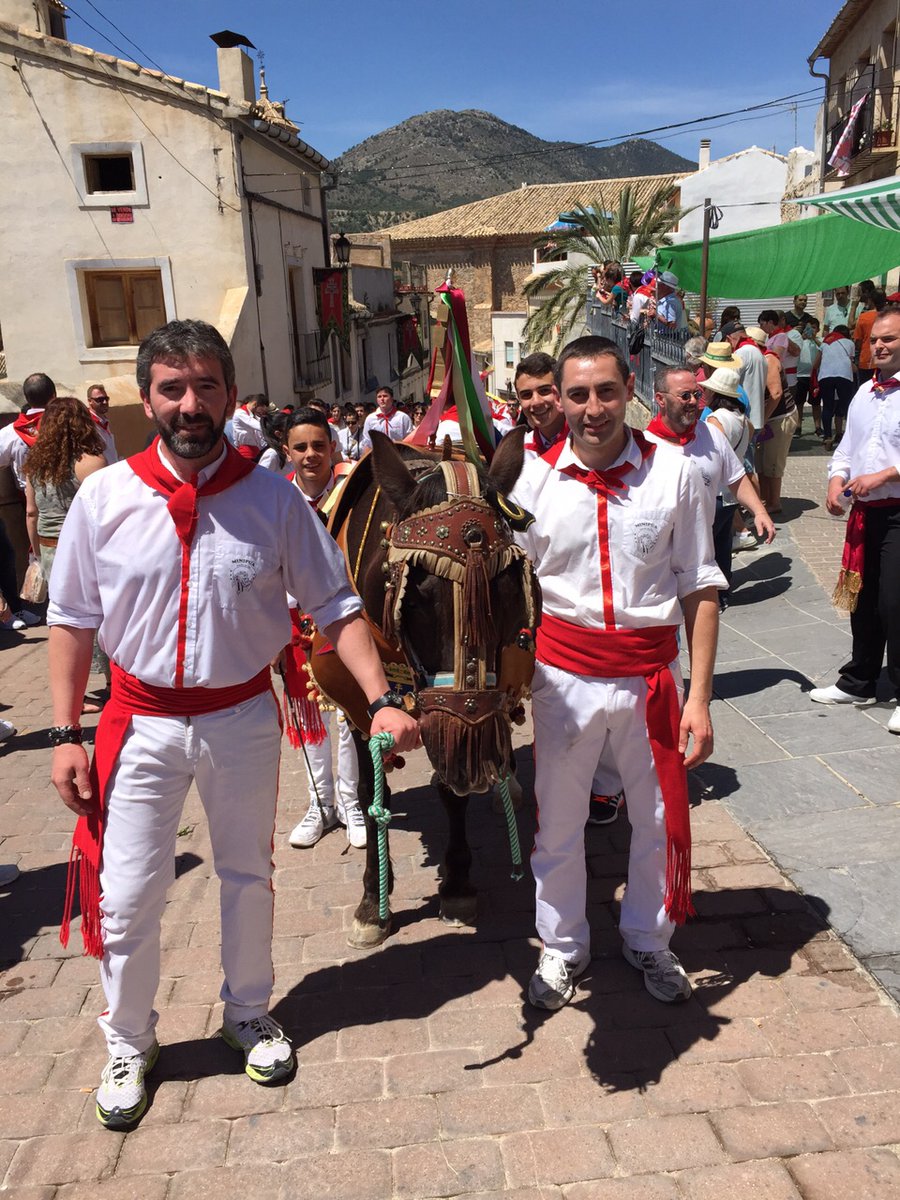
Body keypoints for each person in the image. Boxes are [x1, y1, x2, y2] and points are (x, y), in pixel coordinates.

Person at [46, 319, 418, 1130]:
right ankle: (130, 1041)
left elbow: (337, 604)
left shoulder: (273, 499)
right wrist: (65, 734)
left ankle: (246, 1011)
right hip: (137, 723)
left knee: (247, 875)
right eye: (173, 389)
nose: (190, 404)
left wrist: (383, 695)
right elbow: (72, 620)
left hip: (241, 718)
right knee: (130, 892)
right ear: (148, 399)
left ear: (229, 395)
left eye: (205, 386)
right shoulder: (104, 500)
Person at [513, 335, 725, 1011]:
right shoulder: (531, 479)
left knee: (660, 818)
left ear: (629, 389)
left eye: (605, 391)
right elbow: (512, 589)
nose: (592, 408)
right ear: (560, 400)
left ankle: (647, 937)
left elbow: (700, 584)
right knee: (559, 822)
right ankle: (562, 945)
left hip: (649, 676)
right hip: (562, 679)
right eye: (577, 394)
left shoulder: (674, 474)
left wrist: (701, 698)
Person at [278, 408, 367, 850]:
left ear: (333, 447)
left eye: (319, 445)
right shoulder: (275, 499)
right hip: (294, 623)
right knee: (309, 714)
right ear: (287, 452)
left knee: (350, 712)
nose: (311, 455)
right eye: (301, 447)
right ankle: (321, 802)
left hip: (344, 620)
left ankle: (352, 801)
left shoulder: (354, 494)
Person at [811, 306, 900, 733]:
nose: (879, 346)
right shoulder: (865, 392)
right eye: (875, 340)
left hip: (899, 511)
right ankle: (859, 680)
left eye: (889, 339)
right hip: (865, 515)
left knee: (895, 603)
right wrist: (836, 481)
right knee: (862, 599)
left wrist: (884, 474)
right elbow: (847, 447)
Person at [647, 364, 775, 606]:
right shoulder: (645, 446)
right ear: (660, 399)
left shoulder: (712, 435)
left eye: (696, 394)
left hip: (701, 567)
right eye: (685, 396)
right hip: (661, 570)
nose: (694, 402)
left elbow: (736, 477)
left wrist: (759, 511)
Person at [23, 398, 107, 583]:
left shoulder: (34, 464)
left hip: (47, 546)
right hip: (82, 548)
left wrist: (37, 554)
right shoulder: (92, 462)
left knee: (59, 605)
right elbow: (105, 514)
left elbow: (31, 512)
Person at [0, 373, 56, 630]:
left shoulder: (12, 432)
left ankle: (50, 604)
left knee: (40, 553)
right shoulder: (69, 423)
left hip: (30, 498)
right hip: (71, 496)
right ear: (53, 396)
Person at [702, 369, 758, 604]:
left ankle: (708, 593)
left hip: (715, 490)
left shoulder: (716, 419)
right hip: (731, 492)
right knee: (723, 545)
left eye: (707, 389)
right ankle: (723, 592)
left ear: (716, 392)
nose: (703, 392)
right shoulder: (743, 419)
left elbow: (712, 453)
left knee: (707, 546)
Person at [745, 325, 798, 514]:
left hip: (780, 417)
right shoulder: (759, 360)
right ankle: (766, 499)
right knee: (762, 462)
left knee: (773, 463)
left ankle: (774, 502)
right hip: (769, 419)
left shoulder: (768, 361)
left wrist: (762, 419)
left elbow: (776, 394)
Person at [514, 352, 565, 459]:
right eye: (526, 395)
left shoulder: (588, 445)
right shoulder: (519, 453)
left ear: (560, 391)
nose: (536, 402)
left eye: (545, 391)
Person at [813, 324, 856, 449]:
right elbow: (850, 363)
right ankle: (840, 433)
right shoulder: (850, 343)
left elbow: (816, 364)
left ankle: (827, 437)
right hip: (845, 376)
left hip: (825, 376)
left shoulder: (825, 343)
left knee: (827, 406)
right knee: (843, 405)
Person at [792, 316, 822, 436]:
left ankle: (818, 427)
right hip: (800, 375)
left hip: (815, 376)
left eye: (814, 328)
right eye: (809, 328)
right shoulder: (800, 340)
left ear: (818, 329)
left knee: (816, 403)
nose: (811, 330)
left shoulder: (820, 340)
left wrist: (814, 339)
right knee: (799, 403)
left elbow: (825, 349)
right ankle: (798, 427)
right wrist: (802, 337)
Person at [853, 288, 886, 385]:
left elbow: (858, 342)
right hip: (885, 360)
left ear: (870, 300)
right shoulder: (890, 317)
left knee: (866, 390)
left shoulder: (863, 317)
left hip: (867, 360)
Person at [85, 385, 118, 464]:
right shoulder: (87, 423)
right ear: (90, 401)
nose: (105, 402)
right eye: (100, 399)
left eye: (106, 399)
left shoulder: (104, 421)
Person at [230, 393, 270, 460]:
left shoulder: (253, 415)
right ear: (255, 404)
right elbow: (258, 426)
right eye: (262, 407)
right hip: (246, 451)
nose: (263, 410)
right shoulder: (240, 413)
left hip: (256, 450)